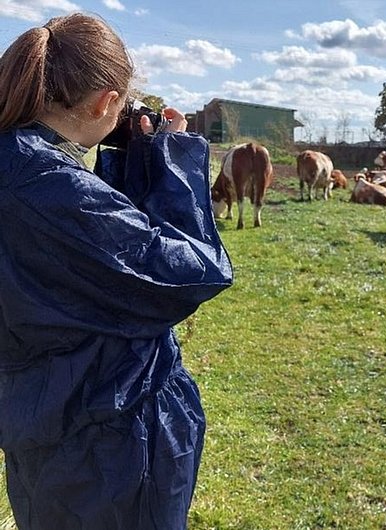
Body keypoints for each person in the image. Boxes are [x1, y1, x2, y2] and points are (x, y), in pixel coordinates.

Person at [0, 12, 233, 530]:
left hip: (35, 421)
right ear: (106, 102)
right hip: (113, 438)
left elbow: (89, 264)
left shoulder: (21, 166)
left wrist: (130, 167)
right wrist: (171, 161)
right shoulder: (52, 185)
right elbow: (191, 272)